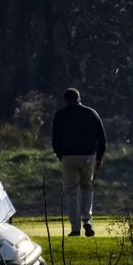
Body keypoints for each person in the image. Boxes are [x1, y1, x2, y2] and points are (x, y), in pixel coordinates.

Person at [52, 87, 106, 237]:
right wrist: (99, 158)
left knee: (71, 191)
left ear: (65, 100)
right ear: (79, 98)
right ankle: (87, 220)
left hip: (68, 156)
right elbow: (102, 139)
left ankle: (75, 228)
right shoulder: (90, 113)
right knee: (87, 187)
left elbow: (55, 139)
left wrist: (60, 155)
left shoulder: (60, 115)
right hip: (89, 155)